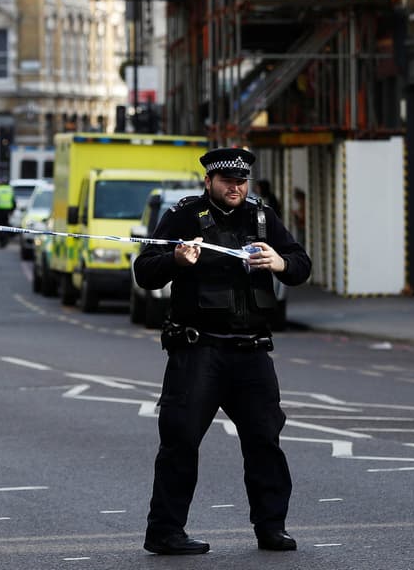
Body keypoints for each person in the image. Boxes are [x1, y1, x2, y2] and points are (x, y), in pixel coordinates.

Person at [132, 146, 312, 556]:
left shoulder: (261, 217)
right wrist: (176, 260)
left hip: (251, 351)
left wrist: (280, 263)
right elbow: (145, 271)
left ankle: (271, 528)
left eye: (241, 181)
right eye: (227, 181)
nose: (235, 188)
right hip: (199, 350)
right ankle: (165, 532)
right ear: (208, 181)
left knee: (265, 440)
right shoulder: (183, 215)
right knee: (180, 441)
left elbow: (301, 265)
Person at [0, 178, 15, 247]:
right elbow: (13, 200)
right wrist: (12, 210)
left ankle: (1, 241)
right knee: (5, 226)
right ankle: (5, 240)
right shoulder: (9, 189)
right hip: (7, 211)